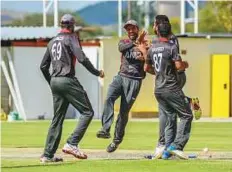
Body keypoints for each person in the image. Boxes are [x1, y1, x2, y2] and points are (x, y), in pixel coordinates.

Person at [40, 14, 104, 163]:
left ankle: (47, 155)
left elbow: (43, 66)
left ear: (61, 25)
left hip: (55, 81)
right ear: (72, 26)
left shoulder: (52, 41)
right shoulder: (71, 38)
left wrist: (52, 82)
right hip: (67, 79)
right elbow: (81, 58)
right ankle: (72, 143)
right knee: (87, 112)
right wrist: (97, 72)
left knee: (57, 119)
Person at [150, 15, 202, 159]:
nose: (153, 27)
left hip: (173, 80)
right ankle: (168, 148)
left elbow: (176, 66)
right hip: (165, 82)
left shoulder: (170, 40)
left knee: (168, 114)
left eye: (154, 24)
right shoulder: (157, 42)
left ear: (160, 26)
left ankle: (166, 147)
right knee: (169, 114)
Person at [96, 20, 147, 153]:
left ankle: (116, 141)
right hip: (121, 76)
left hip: (134, 80)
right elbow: (121, 48)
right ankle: (105, 129)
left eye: (133, 29)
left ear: (137, 29)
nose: (130, 31)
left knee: (123, 112)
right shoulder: (124, 42)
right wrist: (136, 44)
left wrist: (143, 50)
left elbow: (147, 58)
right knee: (109, 98)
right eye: (128, 29)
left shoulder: (146, 44)